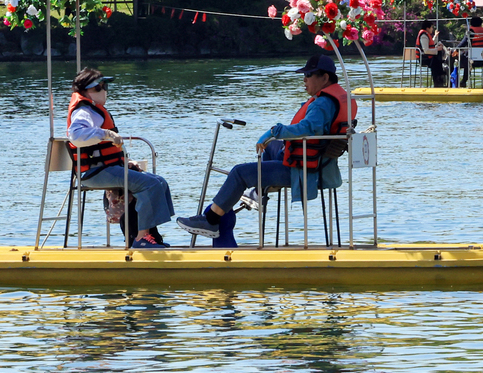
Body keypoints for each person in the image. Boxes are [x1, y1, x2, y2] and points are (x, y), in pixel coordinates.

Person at [176, 55, 357, 240]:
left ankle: (211, 221)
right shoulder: (334, 99)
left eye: (309, 74)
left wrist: (274, 131)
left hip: (303, 171)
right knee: (271, 149)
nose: (304, 79)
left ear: (325, 78)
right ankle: (258, 192)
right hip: (320, 165)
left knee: (239, 172)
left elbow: (306, 129)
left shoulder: (322, 104)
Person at [67, 68, 176, 248]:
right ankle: (141, 239)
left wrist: (127, 161)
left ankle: (150, 235)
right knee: (149, 184)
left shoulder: (95, 110)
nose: (104, 91)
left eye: (105, 86)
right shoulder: (85, 111)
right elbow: (76, 135)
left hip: (107, 167)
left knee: (159, 181)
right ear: (85, 92)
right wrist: (106, 134)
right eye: (98, 88)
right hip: (95, 172)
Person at [417, 18, 447, 88]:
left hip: (429, 57)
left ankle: (439, 80)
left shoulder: (427, 35)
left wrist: (435, 36)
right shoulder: (423, 36)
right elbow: (426, 50)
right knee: (436, 62)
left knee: (437, 60)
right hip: (424, 59)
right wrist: (437, 50)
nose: (432, 29)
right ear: (427, 28)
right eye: (431, 28)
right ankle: (438, 82)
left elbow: (432, 43)